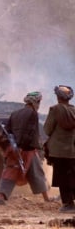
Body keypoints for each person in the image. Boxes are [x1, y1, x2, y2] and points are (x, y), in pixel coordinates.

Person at [0, 92, 52, 204]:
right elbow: (29, 132)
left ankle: (1, 197)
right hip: (27, 149)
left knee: (10, 172)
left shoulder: (15, 113)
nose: (39, 104)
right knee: (37, 173)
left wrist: (14, 146)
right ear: (34, 102)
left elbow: (7, 131)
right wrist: (21, 145)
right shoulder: (32, 113)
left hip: (14, 148)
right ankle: (46, 199)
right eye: (39, 102)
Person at [43, 85, 75, 213]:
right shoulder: (74, 110)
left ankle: (68, 205)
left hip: (58, 151)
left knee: (62, 178)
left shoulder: (55, 109)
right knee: (73, 176)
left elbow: (47, 129)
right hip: (73, 150)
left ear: (58, 97)